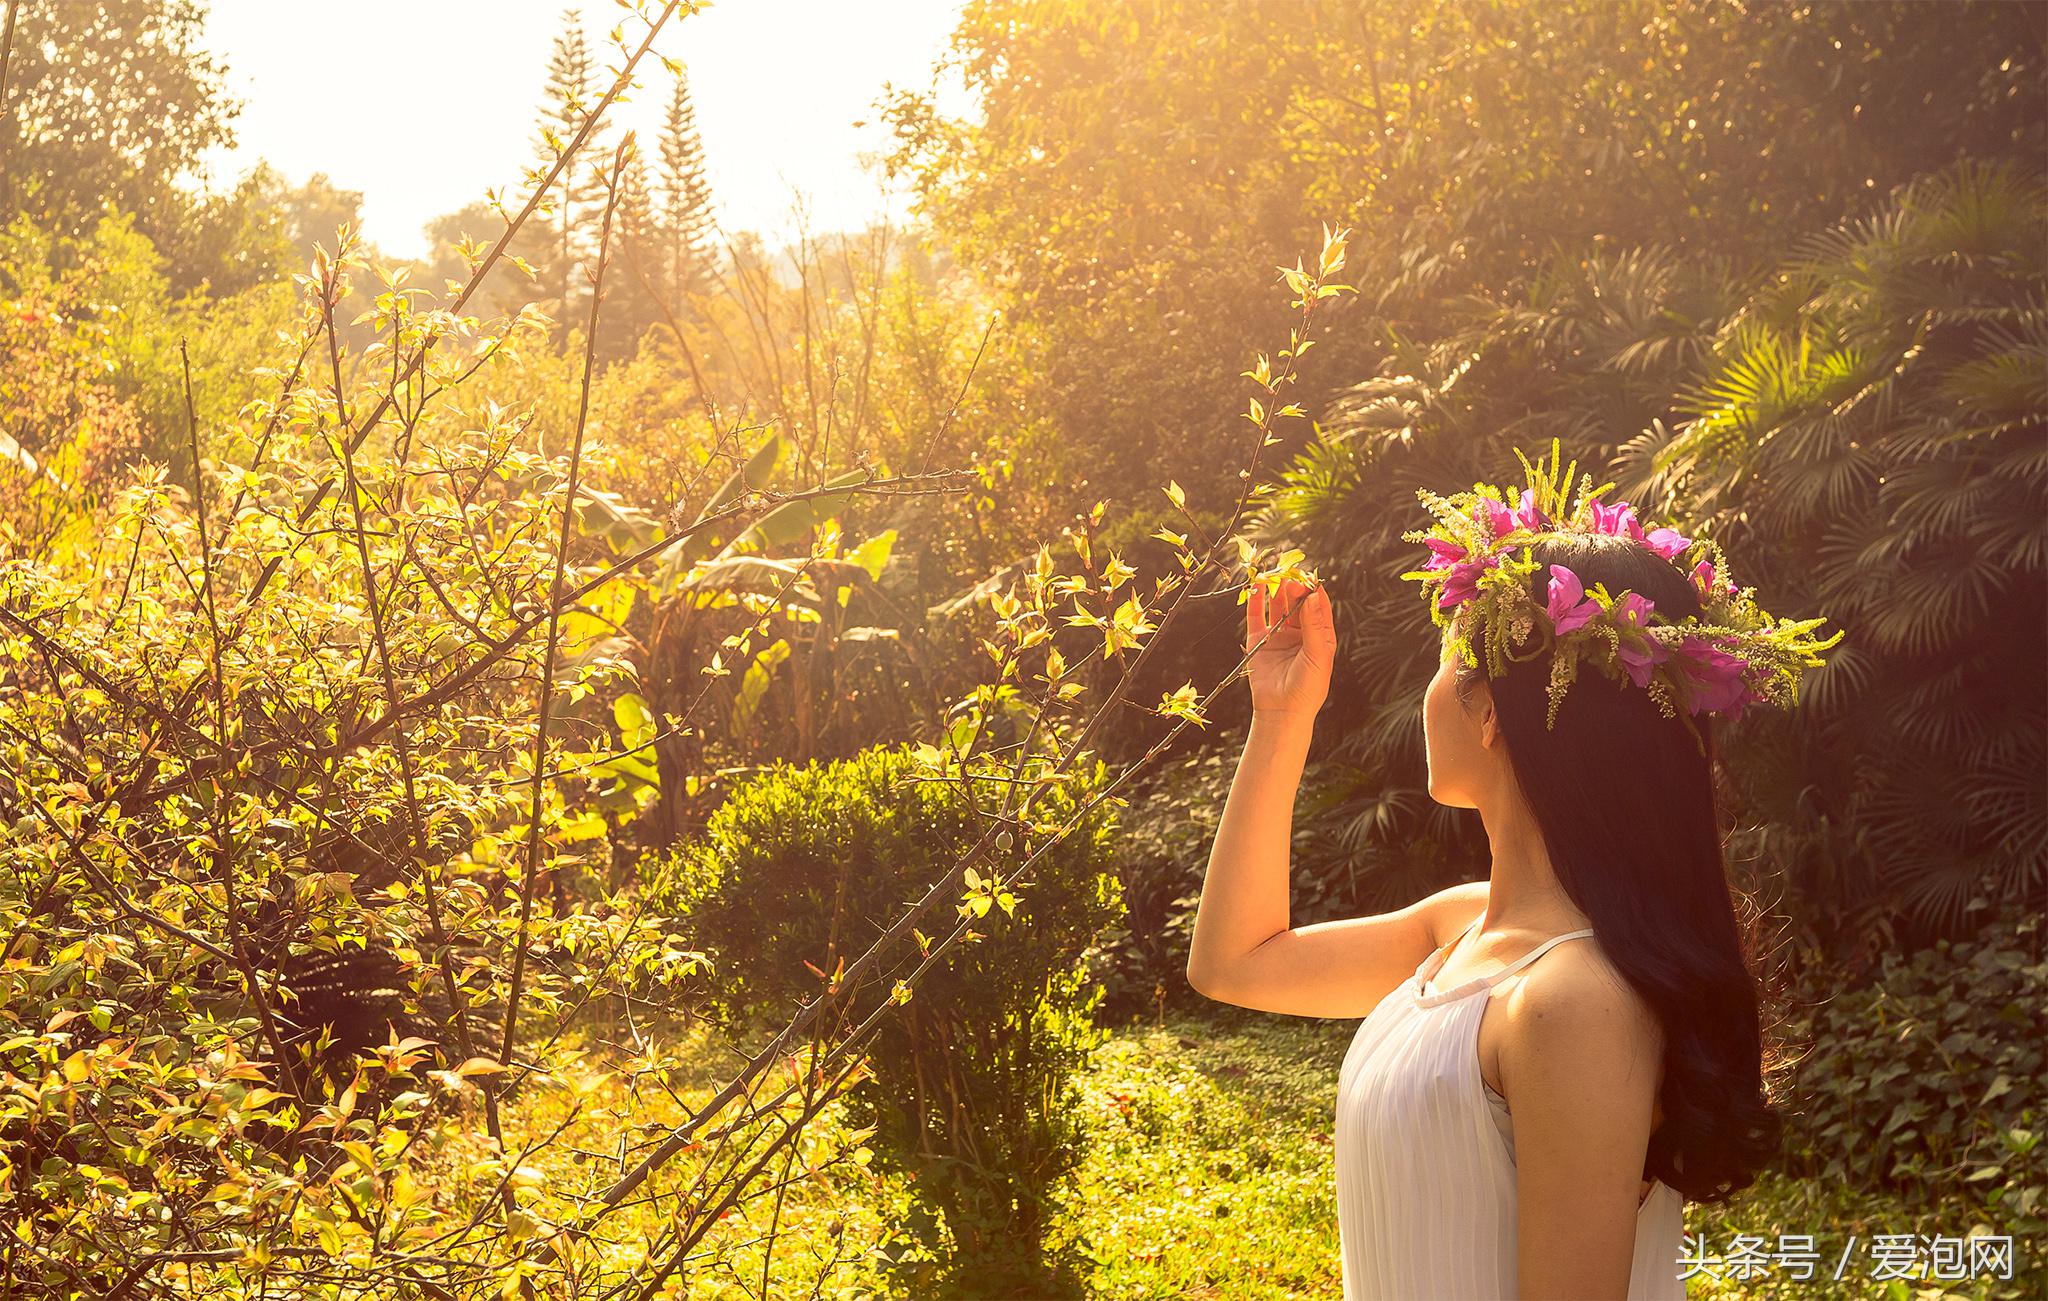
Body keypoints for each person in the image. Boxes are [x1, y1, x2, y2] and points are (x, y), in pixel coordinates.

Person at [1184, 445, 1841, 1299]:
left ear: (1490, 708)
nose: (1423, 690)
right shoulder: (1463, 930)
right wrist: (1280, 717)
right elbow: (1234, 961)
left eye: (1441, 659)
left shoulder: (1573, 1000)